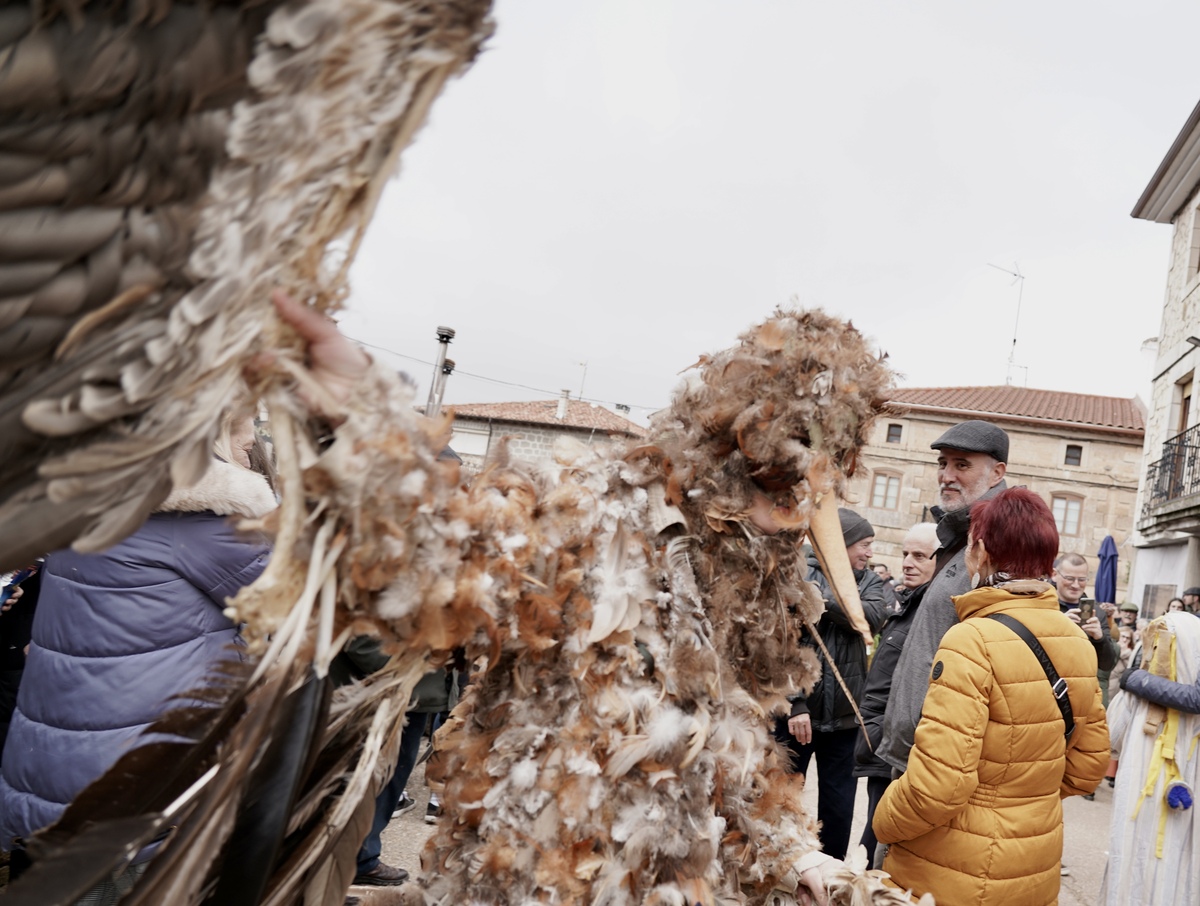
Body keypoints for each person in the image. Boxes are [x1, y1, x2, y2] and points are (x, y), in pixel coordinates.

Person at [0, 292, 370, 897]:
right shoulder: (207, 529)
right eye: (243, 425)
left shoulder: (85, 509)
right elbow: (326, 597)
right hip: (135, 800)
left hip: (45, 784)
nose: (252, 440)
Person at [872, 488, 1109, 906]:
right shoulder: (1074, 638)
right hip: (1034, 864)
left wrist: (883, 824)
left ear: (979, 551)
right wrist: (1023, 801)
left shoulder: (970, 640)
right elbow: (1087, 770)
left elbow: (937, 789)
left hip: (950, 871)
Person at [875, 419, 1009, 772]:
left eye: (961, 464)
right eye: (943, 464)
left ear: (997, 473)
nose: (946, 475)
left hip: (943, 758)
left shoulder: (1001, 543)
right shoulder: (960, 534)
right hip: (916, 751)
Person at [774, 508, 887, 860]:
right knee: (782, 802)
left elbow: (871, 615)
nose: (869, 553)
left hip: (844, 719)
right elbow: (778, 643)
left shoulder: (867, 580)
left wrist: (819, 600)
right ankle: (780, 866)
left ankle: (830, 879)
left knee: (838, 810)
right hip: (796, 716)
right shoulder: (794, 572)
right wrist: (795, 702)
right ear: (841, 543)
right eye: (864, 545)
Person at [853, 521, 939, 867]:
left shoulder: (932, 615)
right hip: (879, 743)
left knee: (879, 853)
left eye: (920, 555)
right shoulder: (908, 605)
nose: (907, 562)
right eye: (905, 553)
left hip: (895, 749)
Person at [1099, 612, 1200, 904]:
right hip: (1174, 812)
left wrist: (1138, 680)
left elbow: (1109, 741)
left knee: (1135, 863)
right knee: (1177, 869)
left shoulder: (1134, 695)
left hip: (1142, 807)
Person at [1053, 553, 1117, 709]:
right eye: (1069, 578)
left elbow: (1107, 664)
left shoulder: (1097, 612)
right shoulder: (1045, 606)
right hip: (1049, 687)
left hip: (1082, 693)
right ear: (1055, 575)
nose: (1075, 585)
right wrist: (1059, 625)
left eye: (1081, 580)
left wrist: (1099, 638)